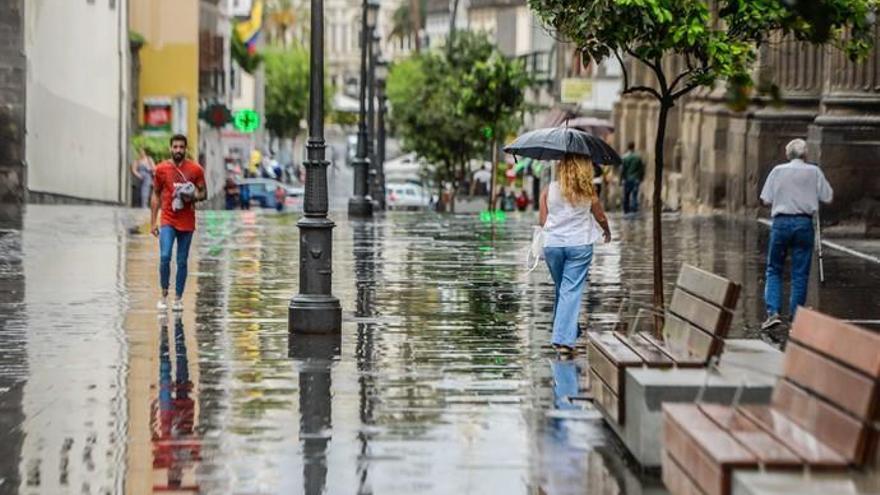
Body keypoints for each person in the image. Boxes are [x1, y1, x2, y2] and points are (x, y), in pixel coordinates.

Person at [540, 154, 612, 354]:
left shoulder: (549, 190)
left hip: (553, 246)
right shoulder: (588, 191)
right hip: (579, 245)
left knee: (563, 289)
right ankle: (563, 341)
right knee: (570, 291)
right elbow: (600, 216)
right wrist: (607, 231)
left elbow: (542, 221)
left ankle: (570, 330)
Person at [759, 138, 833, 330]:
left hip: (781, 222)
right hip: (803, 223)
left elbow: (765, 199)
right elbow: (827, 196)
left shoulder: (777, 171)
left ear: (787, 155)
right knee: (800, 273)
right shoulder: (814, 172)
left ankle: (773, 312)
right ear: (805, 155)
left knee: (774, 268)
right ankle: (795, 316)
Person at [150, 134, 207, 312]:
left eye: (181, 147)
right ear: (170, 148)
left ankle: (178, 298)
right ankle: (164, 293)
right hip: (168, 219)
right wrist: (153, 222)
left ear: (186, 149)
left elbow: (204, 193)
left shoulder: (196, 169)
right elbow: (155, 195)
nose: (178, 150)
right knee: (165, 256)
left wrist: (191, 196)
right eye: (175, 147)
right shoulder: (161, 169)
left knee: (182, 261)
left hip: (187, 222)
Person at [620, 142, 645, 213]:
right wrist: (641, 178)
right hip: (635, 179)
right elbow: (641, 169)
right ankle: (634, 210)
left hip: (627, 179)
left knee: (626, 195)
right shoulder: (638, 157)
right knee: (634, 195)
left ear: (628, 148)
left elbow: (622, 170)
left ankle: (626, 210)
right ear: (634, 147)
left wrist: (621, 180)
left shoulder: (624, 157)